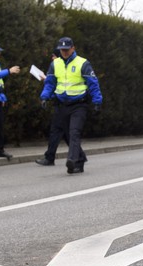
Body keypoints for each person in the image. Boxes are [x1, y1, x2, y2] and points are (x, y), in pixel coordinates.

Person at [37, 37, 103, 174]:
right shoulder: (55, 64)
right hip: (62, 105)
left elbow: (93, 83)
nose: (64, 52)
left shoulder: (83, 63)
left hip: (79, 104)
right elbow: (50, 82)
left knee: (74, 132)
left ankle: (72, 160)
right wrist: (44, 97)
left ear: (73, 48)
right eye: (62, 50)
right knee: (67, 134)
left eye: (67, 49)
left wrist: (97, 101)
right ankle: (80, 160)